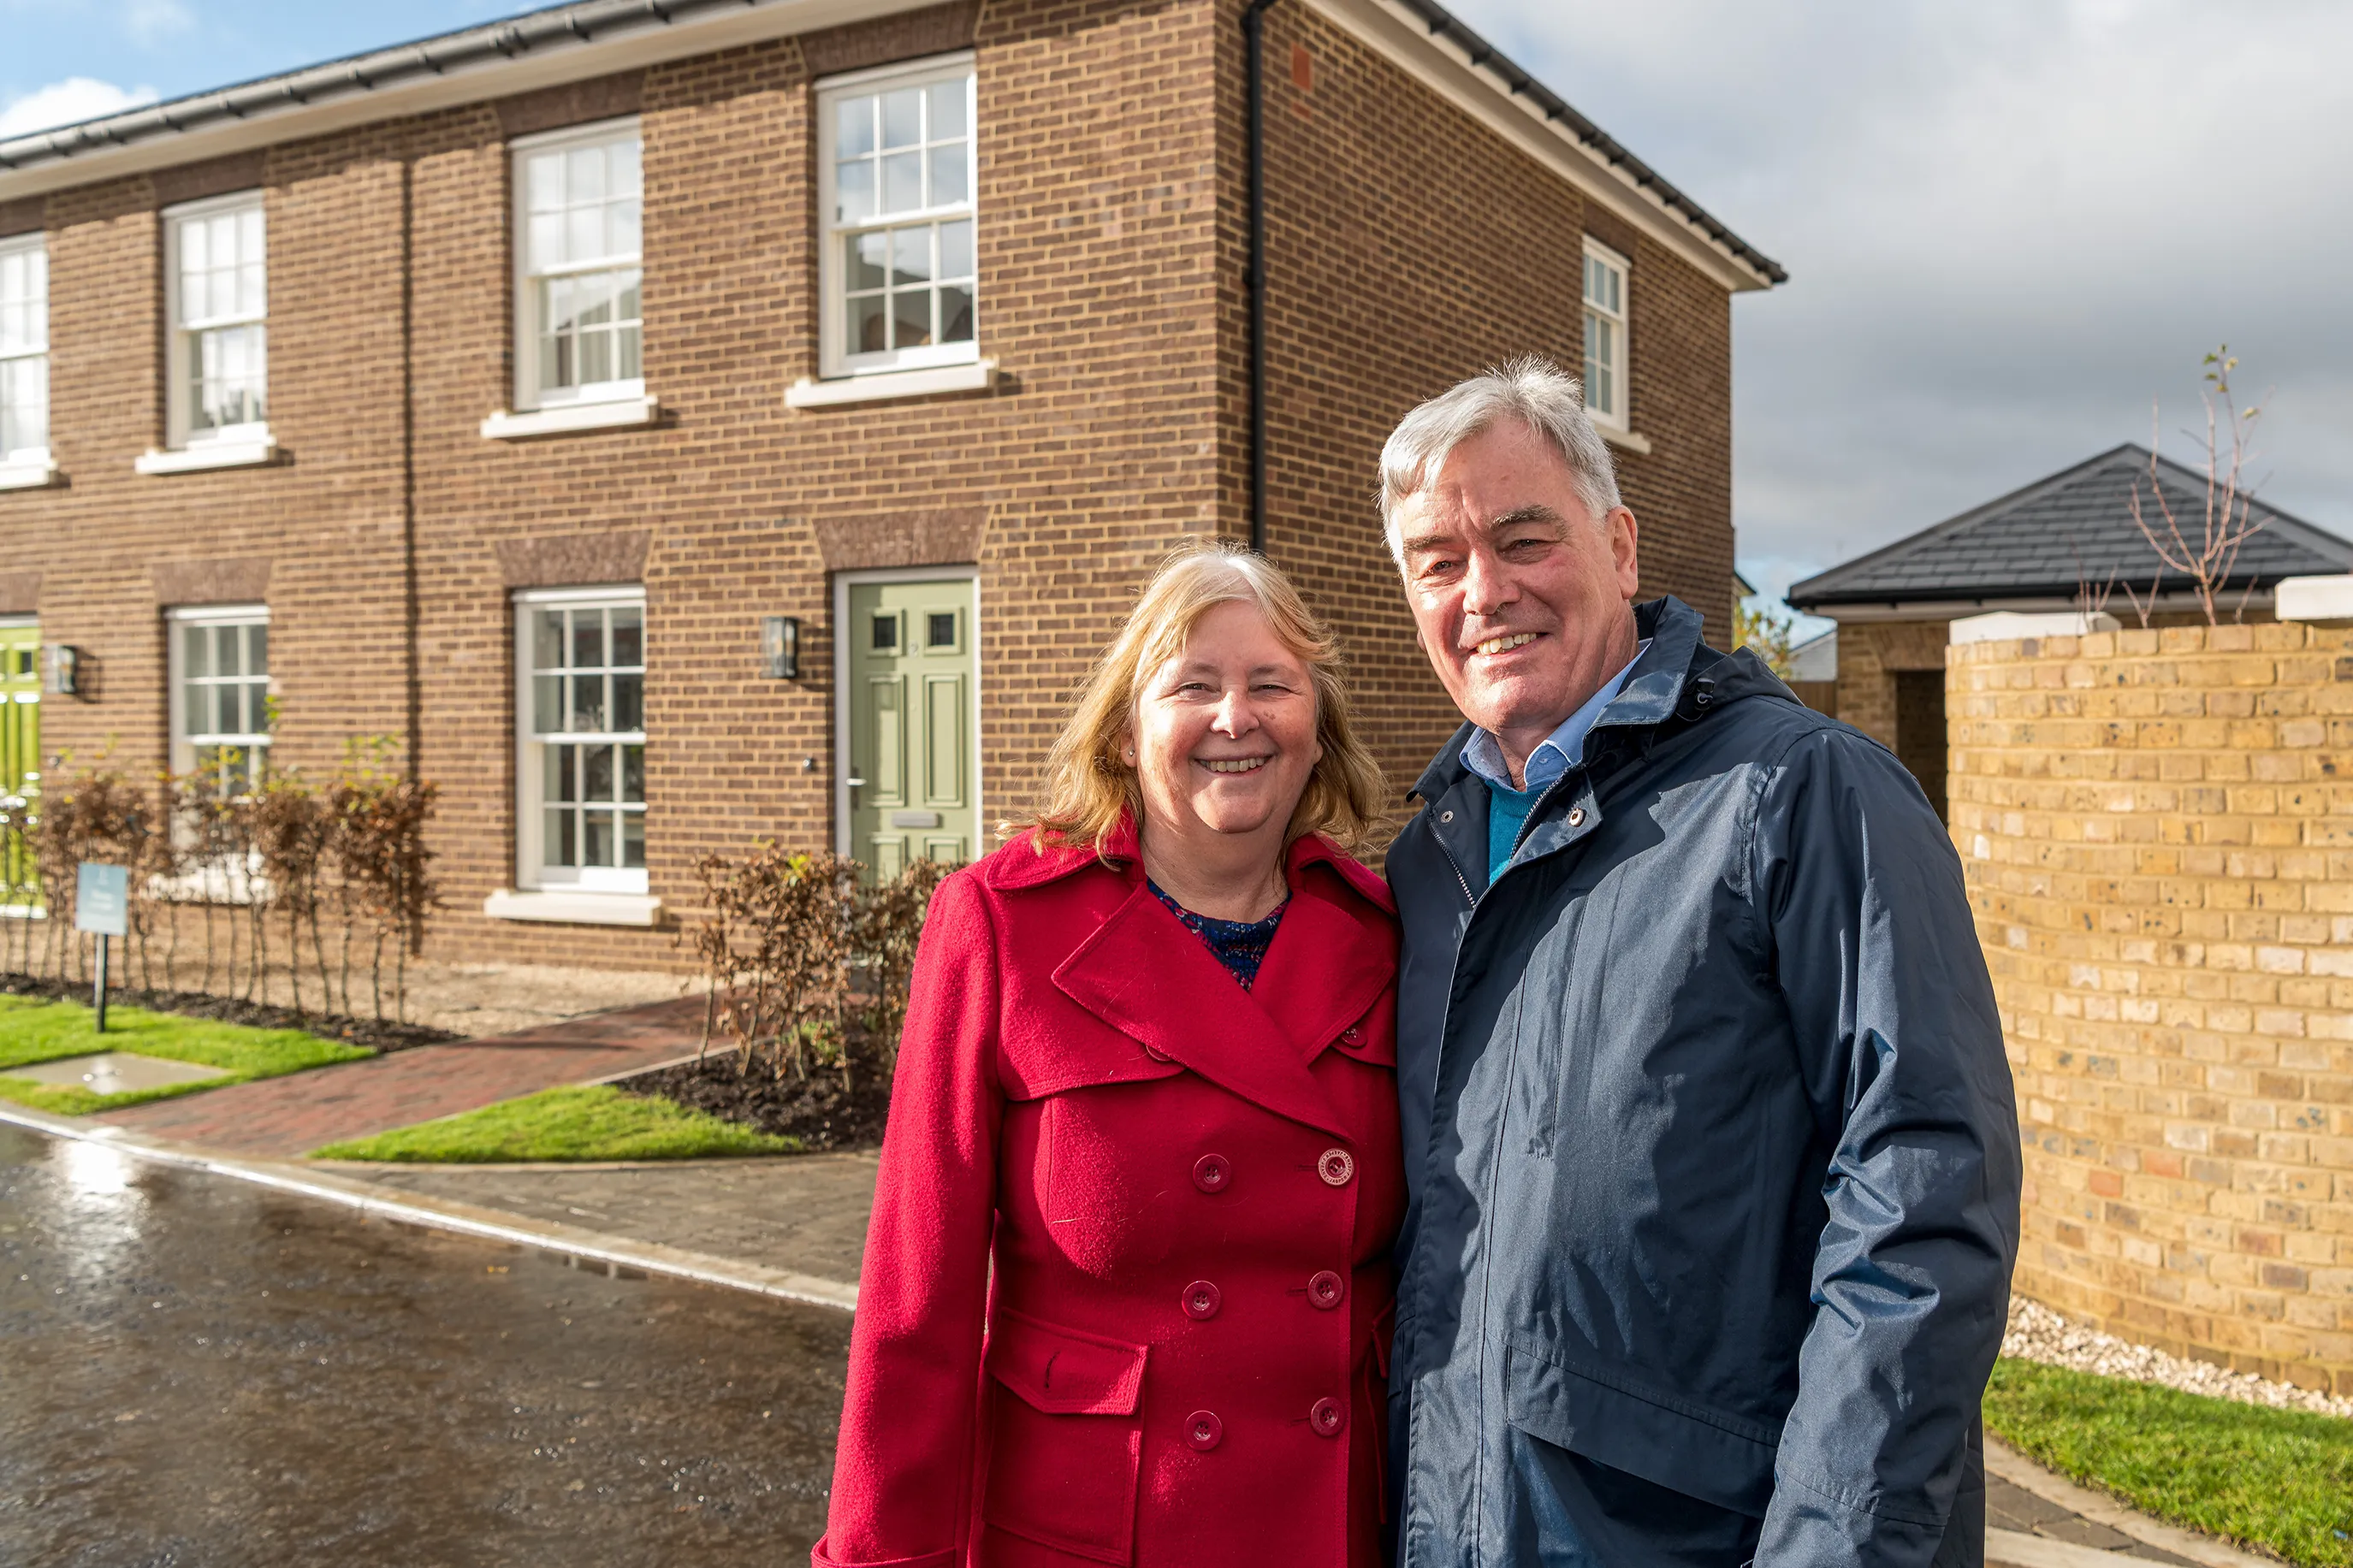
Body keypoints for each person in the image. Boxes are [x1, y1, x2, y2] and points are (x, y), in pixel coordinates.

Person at [1378, 358, 2022, 1567]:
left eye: (1525, 540)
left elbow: (1922, 1211)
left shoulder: (1803, 794)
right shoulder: (1427, 859)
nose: (1485, 592)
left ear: (1619, 549)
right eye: (1439, 562)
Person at [815, 541, 1403, 1568]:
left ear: (1318, 733)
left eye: (1272, 683)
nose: (1236, 718)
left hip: (1332, 1521)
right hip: (1093, 1532)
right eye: (1193, 686)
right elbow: (919, 1299)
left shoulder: (1390, 938)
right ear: (1128, 734)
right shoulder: (1002, 924)